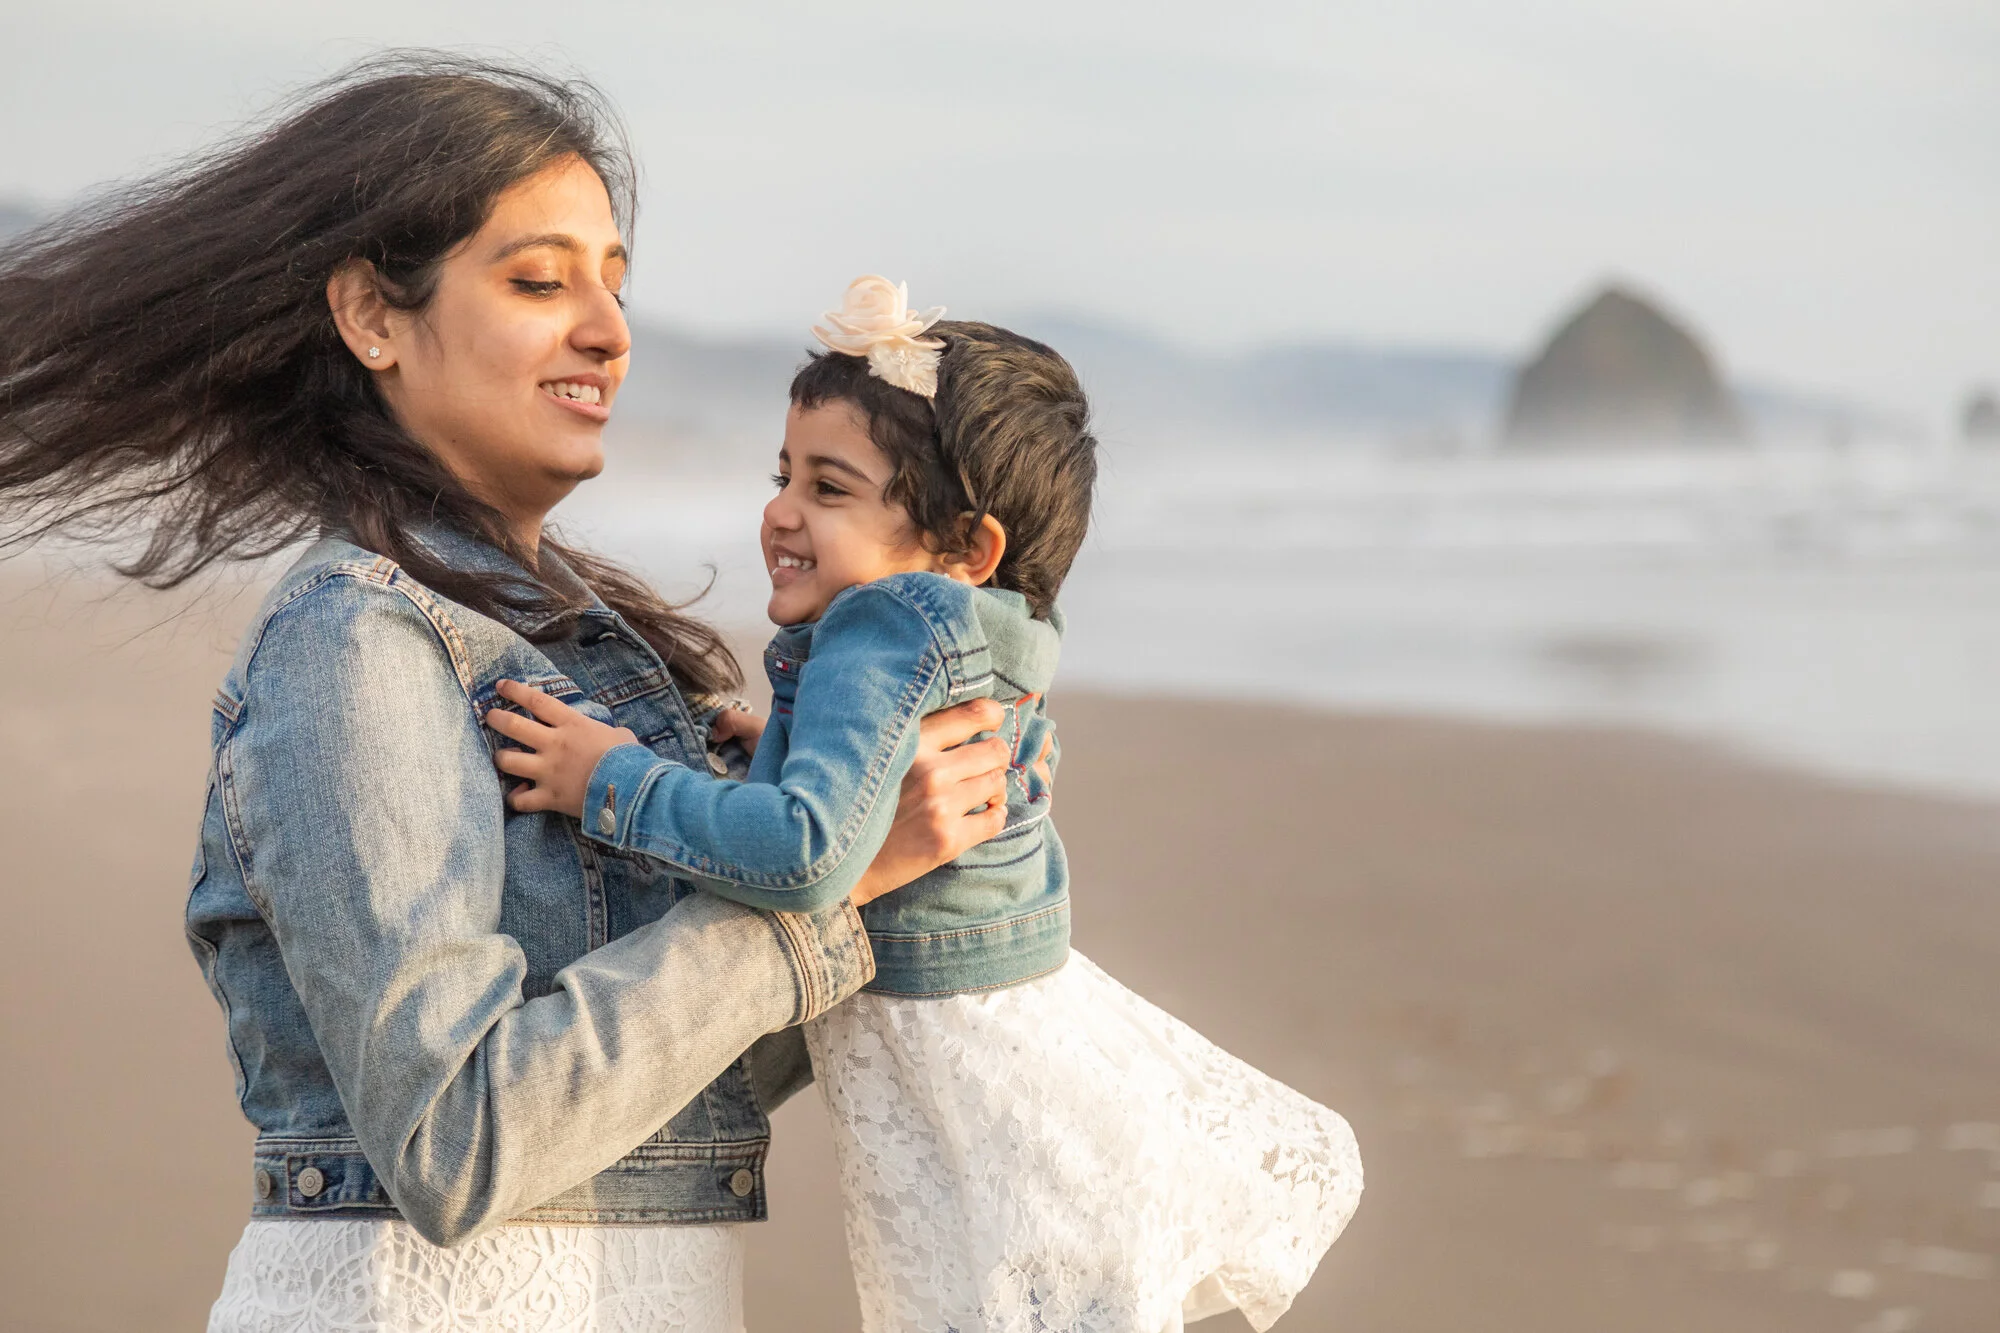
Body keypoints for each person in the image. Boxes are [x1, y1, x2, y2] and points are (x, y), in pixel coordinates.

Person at [0, 62, 1018, 1332]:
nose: (607, 329)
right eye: (541, 281)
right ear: (374, 315)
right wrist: (826, 892)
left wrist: (902, 840)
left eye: (614, 284)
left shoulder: (584, 658)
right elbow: (455, 1138)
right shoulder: (359, 642)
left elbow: (703, 1074)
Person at [487, 276, 1365, 1332]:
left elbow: (808, 855)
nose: (780, 513)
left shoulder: (884, 621)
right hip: (1007, 1019)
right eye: (783, 475)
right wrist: (787, 742)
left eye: (829, 488)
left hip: (953, 1054)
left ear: (965, 549)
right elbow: (885, 772)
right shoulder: (983, 624)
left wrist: (610, 780)